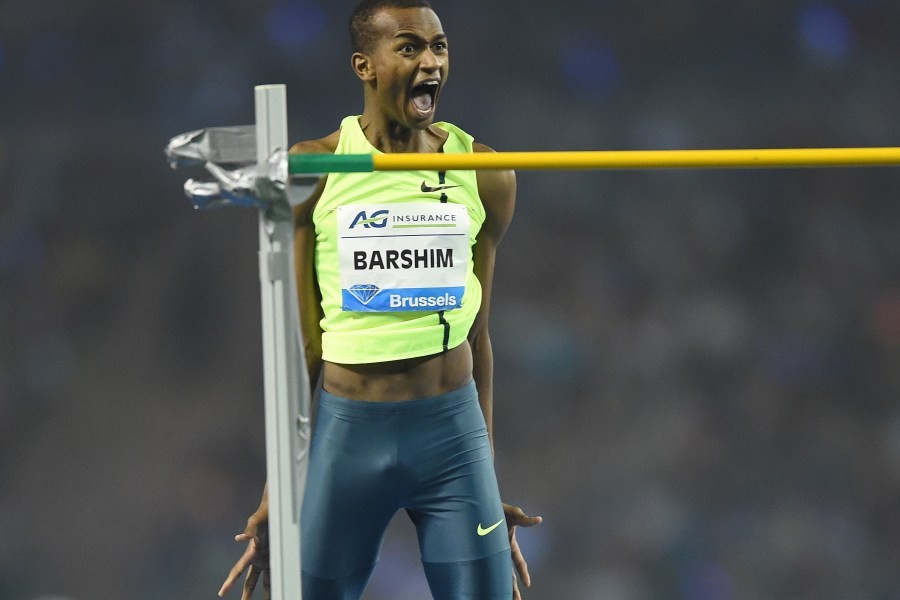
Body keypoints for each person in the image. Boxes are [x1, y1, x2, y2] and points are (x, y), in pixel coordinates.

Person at [218, 0, 541, 598]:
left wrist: (485, 479)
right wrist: (279, 484)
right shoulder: (314, 167)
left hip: (451, 436)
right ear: (364, 65)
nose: (431, 61)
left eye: (439, 46)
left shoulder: (485, 171)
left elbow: (479, 335)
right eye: (411, 47)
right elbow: (303, 342)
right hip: (348, 436)